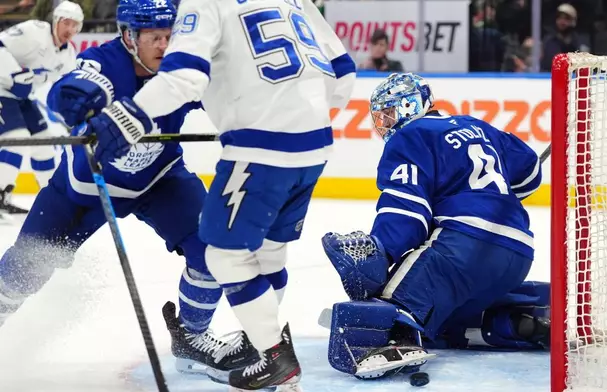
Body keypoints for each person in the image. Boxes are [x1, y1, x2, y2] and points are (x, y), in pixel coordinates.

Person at [74, 0, 357, 388]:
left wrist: (124, 119)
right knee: (269, 251)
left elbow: (184, 77)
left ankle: (275, 357)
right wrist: (299, 116)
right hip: (315, 146)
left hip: (261, 150)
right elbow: (343, 70)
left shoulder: (205, 2)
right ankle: (265, 347)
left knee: (224, 255)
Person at [0, 0, 259, 382]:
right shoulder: (107, 62)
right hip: (84, 190)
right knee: (22, 270)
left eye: (171, 36)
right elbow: (74, 87)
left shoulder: (184, 62)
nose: (165, 46)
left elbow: (231, 94)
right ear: (128, 36)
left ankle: (192, 337)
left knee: (214, 247)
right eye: (155, 37)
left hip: (161, 181)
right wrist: (76, 100)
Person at [321, 72, 550, 378]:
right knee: (442, 321)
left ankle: (393, 338)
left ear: (409, 106)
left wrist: (382, 254)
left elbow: (407, 213)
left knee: (394, 305)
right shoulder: (479, 126)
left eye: (389, 114)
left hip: (462, 246)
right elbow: (530, 174)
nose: (385, 123)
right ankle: (517, 321)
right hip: (517, 253)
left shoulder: (411, 135)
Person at [0, 0, 83, 220]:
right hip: (1, 90)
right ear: (56, 20)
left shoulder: (68, 54)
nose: (71, 30)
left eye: (76, 26)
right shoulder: (33, 31)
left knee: (45, 143)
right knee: (17, 139)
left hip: (21, 98)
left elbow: (67, 89)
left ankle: (53, 199)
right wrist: (14, 74)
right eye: (67, 23)